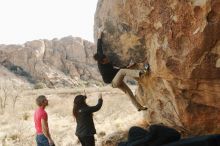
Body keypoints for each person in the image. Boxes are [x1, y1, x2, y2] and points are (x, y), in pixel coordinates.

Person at [93, 30, 149, 111]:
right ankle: (143, 72)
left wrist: (99, 36)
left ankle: (139, 107)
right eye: (106, 60)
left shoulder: (100, 57)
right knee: (122, 71)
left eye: (107, 58)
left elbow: (99, 47)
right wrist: (128, 66)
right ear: (102, 62)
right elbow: (119, 71)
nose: (108, 59)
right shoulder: (104, 69)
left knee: (128, 92)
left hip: (115, 79)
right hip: (113, 82)